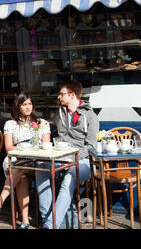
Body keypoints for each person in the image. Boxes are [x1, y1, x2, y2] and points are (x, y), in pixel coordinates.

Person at [35, 80, 99, 229]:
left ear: (72, 95)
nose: (59, 97)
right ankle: (47, 219)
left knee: (69, 178)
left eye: (62, 94)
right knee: (41, 166)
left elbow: (91, 146)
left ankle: (51, 225)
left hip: (84, 161)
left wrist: (73, 157)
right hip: (62, 156)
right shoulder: (60, 113)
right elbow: (56, 134)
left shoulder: (90, 116)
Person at [0, 93, 50, 229]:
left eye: (29, 104)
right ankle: (25, 222)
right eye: (24, 104)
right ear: (18, 106)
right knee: (20, 174)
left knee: (18, 169)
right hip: (16, 157)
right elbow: (9, 148)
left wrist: (33, 150)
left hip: (36, 159)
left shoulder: (42, 123)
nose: (28, 107)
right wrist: (23, 150)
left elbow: (46, 145)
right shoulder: (11, 124)